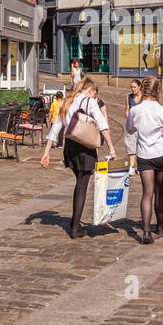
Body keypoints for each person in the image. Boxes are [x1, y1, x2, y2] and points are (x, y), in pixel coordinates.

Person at [39, 77, 116, 239]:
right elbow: (103, 125)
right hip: (85, 147)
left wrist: (46, 152)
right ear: (89, 90)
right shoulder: (89, 102)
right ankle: (75, 228)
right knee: (82, 185)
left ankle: (75, 222)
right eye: (93, 93)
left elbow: (55, 128)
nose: (94, 97)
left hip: (70, 146)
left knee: (79, 183)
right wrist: (111, 148)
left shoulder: (67, 102)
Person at [125, 76, 163, 244]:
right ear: (158, 90)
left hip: (144, 155)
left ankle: (146, 231)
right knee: (159, 190)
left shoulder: (135, 110)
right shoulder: (162, 111)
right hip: (161, 154)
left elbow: (130, 129)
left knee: (147, 193)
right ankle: (160, 225)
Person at [124, 79, 143, 173]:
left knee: (141, 146)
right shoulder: (128, 97)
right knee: (131, 146)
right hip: (132, 125)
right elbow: (127, 109)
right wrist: (129, 118)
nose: (133, 89)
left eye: (134, 87)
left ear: (139, 87)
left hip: (142, 125)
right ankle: (131, 167)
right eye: (131, 87)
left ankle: (140, 167)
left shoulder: (144, 98)